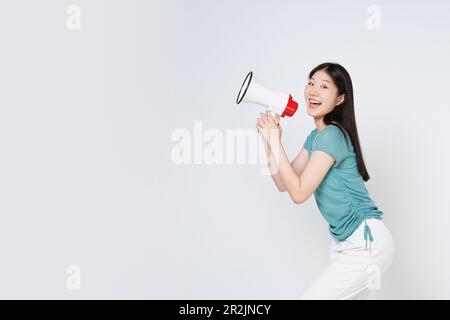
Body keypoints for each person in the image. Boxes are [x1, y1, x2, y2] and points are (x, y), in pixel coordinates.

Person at [256, 62, 394, 299]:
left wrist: (276, 142)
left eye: (323, 86)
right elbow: (283, 184)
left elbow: (299, 193)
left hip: (366, 242)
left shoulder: (331, 135)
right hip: (347, 244)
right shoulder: (316, 137)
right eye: (310, 83)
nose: (313, 91)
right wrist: (269, 142)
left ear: (339, 99)